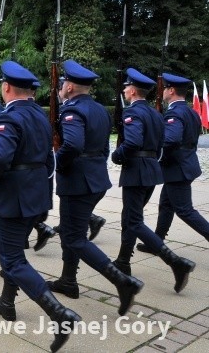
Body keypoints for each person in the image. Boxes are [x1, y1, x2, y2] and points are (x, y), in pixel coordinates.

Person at [0, 61, 80, 353]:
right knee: (14, 252)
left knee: (12, 260)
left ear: (6, 88)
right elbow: (49, 159)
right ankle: (7, 301)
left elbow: (0, 158)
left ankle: (59, 314)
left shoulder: (8, 118)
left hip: (12, 198)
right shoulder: (40, 114)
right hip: (34, 196)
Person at [47, 60, 143, 316]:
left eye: (62, 84)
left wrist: (54, 164)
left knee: (74, 237)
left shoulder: (72, 111)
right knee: (71, 231)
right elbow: (104, 147)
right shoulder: (100, 109)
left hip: (78, 182)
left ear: (69, 86)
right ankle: (68, 280)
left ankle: (123, 282)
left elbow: (73, 145)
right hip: (95, 179)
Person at [111, 68, 195, 293]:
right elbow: (160, 144)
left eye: (126, 86)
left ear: (132, 90)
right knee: (130, 217)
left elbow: (132, 143)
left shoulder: (134, 113)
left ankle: (176, 262)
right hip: (150, 171)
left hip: (136, 171)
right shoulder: (156, 114)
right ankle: (122, 261)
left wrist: (117, 155)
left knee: (134, 220)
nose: (124, 89)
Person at [137, 72, 209, 252]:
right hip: (183, 166)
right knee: (166, 205)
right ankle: (157, 243)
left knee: (185, 210)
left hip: (178, 168)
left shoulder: (175, 113)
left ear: (171, 90)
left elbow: (171, 140)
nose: (162, 92)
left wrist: (155, 153)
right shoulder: (190, 111)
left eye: (165, 89)